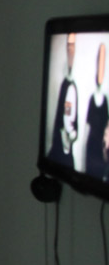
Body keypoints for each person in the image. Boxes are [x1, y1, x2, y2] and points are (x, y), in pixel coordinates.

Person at [49, 33, 79, 169]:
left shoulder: (73, 87)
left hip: (66, 150)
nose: (70, 51)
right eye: (68, 47)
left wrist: (73, 132)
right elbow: (64, 118)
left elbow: (71, 120)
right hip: (60, 149)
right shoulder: (65, 85)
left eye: (73, 47)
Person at [85, 42, 108, 180]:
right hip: (91, 148)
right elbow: (88, 126)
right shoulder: (91, 99)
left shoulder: (105, 100)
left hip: (101, 150)